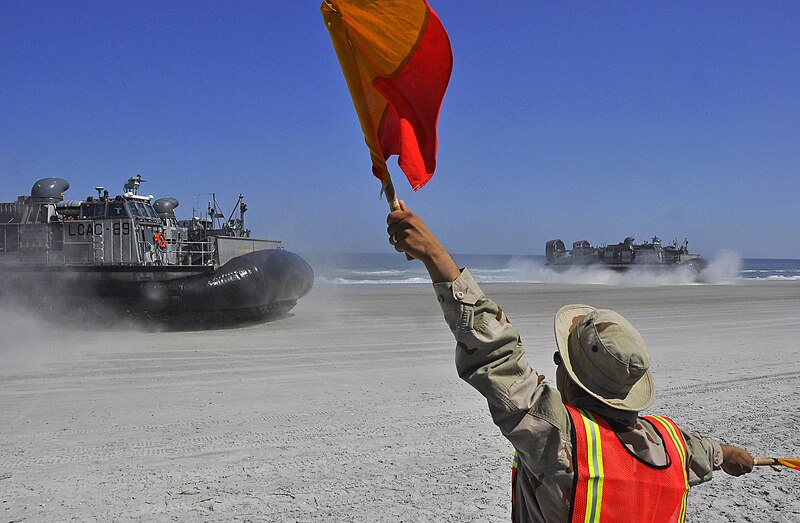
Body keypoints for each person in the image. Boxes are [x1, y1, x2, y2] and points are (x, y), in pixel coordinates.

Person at [386, 201, 754, 523]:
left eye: (561, 359)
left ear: (575, 378)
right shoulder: (672, 444)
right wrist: (729, 454)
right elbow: (704, 452)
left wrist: (434, 254)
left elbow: (494, 354)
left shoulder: (559, 442)